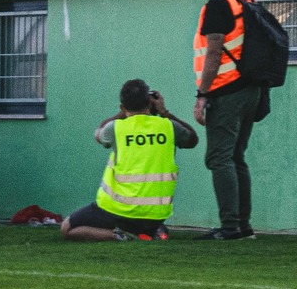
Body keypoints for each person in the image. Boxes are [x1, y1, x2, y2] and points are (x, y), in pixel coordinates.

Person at [61, 78, 198, 242]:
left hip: (118, 210)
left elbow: (98, 132)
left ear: (123, 106)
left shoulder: (116, 128)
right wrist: (164, 112)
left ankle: (121, 235)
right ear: (150, 102)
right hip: (156, 213)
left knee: (68, 228)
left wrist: (121, 114)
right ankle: (151, 231)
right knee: (146, 224)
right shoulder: (168, 126)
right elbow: (192, 139)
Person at [190, 0, 260, 241]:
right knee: (236, 157)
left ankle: (230, 226)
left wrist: (202, 94)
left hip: (227, 89)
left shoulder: (218, 3)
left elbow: (214, 52)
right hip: (251, 89)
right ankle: (243, 226)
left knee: (220, 158)